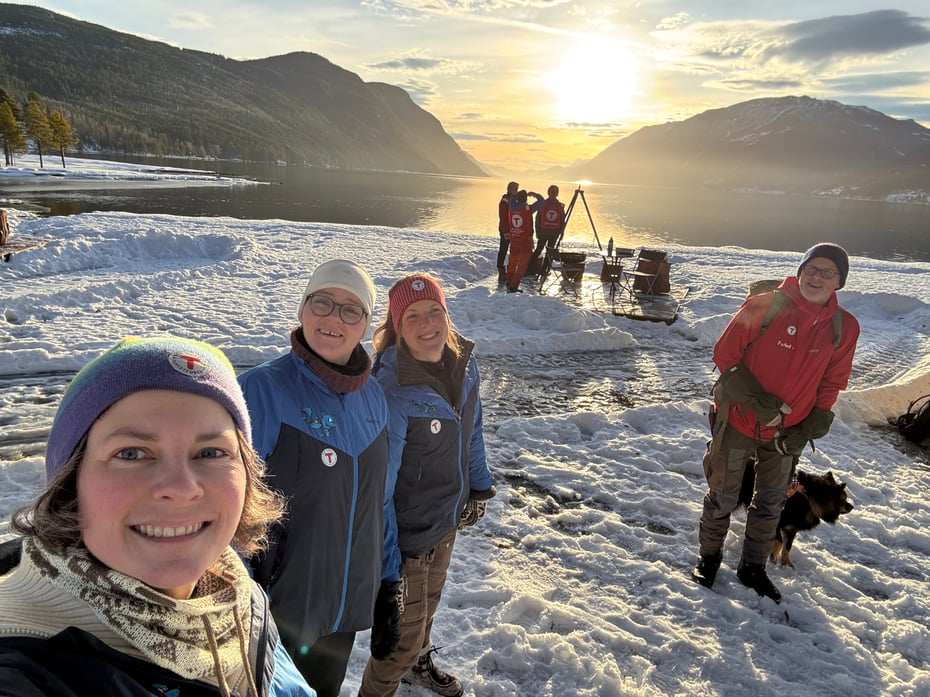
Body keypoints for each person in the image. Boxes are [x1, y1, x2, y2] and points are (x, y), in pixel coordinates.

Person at [0, 335, 315, 696]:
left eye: (211, 452)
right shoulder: (24, 672)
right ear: (70, 483)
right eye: (131, 453)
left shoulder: (240, 600)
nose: (181, 488)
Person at [238, 260, 391, 697]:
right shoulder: (261, 390)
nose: (333, 318)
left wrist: (389, 581)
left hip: (344, 612)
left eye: (350, 309)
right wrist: (241, 602)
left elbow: (381, 503)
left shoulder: (375, 397)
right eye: (322, 302)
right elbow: (230, 508)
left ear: (365, 324)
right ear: (303, 308)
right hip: (276, 613)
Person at [691, 243, 860, 603]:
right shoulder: (764, 306)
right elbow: (725, 355)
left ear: (839, 282)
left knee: (771, 502)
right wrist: (757, 401)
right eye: (811, 268)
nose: (816, 277)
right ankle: (709, 558)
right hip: (739, 420)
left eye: (828, 272)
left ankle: (753, 567)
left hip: (787, 434)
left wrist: (811, 425)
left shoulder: (844, 328)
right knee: (723, 495)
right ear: (800, 272)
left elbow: (832, 382)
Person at [359, 273, 496, 697]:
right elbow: (380, 487)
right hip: (408, 538)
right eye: (412, 316)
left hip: (445, 522)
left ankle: (418, 666)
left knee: (427, 611)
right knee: (398, 643)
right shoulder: (391, 389)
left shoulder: (464, 365)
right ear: (397, 326)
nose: (427, 324)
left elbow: (473, 431)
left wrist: (479, 486)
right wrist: (389, 569)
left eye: (434, 311)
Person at [504, 189, 543, 293]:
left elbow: (512, 199)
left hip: (514, 240)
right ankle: (514, 285)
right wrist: (535, 194)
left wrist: (515, 195)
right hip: (525, 241)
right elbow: (542, 201)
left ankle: (509, 281)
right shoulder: (528, 209)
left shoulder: (511, 207)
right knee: (522, 265)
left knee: (512, 262)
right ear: (525, 199)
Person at [528, 185, 565, 276]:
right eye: (552, 191)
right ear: (548, 192)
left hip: (554, 233)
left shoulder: (560, 206)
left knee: (550, 253)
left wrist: (562, 232)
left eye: (555, 192)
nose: (553, 193)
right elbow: (538, 219)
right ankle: (530, 268)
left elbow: (562, 220)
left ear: (557, 193)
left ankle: (544, 270)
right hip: (543, 232)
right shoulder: (543, 204)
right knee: (538, 250)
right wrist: (537, 231)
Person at [496, 181, 519, 284]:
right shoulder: (505, 201)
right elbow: (503, 217)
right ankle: (501, 269)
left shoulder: (513, 200)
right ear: (510, 189)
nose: (516, 191)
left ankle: (510, 269)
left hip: (513, 230)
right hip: (506, 229)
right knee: (503, 249)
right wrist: (506, 231)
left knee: (512, 250)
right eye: (515, 189)